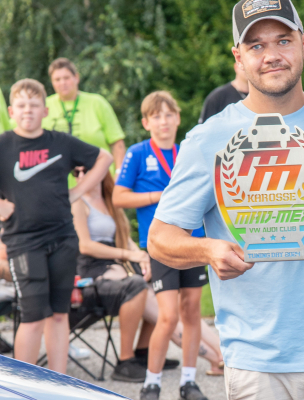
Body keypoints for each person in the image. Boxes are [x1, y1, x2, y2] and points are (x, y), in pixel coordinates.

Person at [148, 1, 304, 399]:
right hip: (258, 368)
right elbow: (160, 239)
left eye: (283, 41)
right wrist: (207, 250)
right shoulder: (207, 139)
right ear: (238, 57)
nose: (271, 55)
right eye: (256, 45)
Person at [0, 79, 113, 373]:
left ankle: (58, 382)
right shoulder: (3, 145)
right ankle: (25, 385)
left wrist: (78, 191)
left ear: (45, 110)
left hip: (63, 238)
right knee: (33, 316)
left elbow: (105, 157)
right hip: (23, 242)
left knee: (59, 314)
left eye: (34, 105)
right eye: (21, 105)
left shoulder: (61, 142)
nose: (28, 110)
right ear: (12, 111)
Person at [73, 171, 224, 379]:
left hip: (118, 269)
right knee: (162, 309)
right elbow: (85, 246)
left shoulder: (109, 203)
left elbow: (126, 240)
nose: (80, 176)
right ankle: (215, 358)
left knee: (171, 302)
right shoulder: (78, 202)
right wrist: (129, 255)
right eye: (76, 172)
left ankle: (217, 354)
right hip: (94, 273)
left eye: (86, 170)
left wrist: (143, 258)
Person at [111, 91, 209, 400]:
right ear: (146, 122)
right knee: (168, 316)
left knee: (192, 310)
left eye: (169, 115)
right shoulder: (138, 153)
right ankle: (151, 383)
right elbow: (118, 197)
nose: (163, 121)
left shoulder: (188, 151)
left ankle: (188, 382)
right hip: (161, 244)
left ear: (178, 118)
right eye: (156, 116)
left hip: (193, 240)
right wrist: (157, 197)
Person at [43, 58, 126, 187]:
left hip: (99, 182)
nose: (62, 83)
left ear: (76, 78)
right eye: (57, 80)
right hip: (58, 184)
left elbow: (117, 143)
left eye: (66, 78)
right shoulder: (43, 106)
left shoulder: (97, 103)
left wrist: (119, 174)